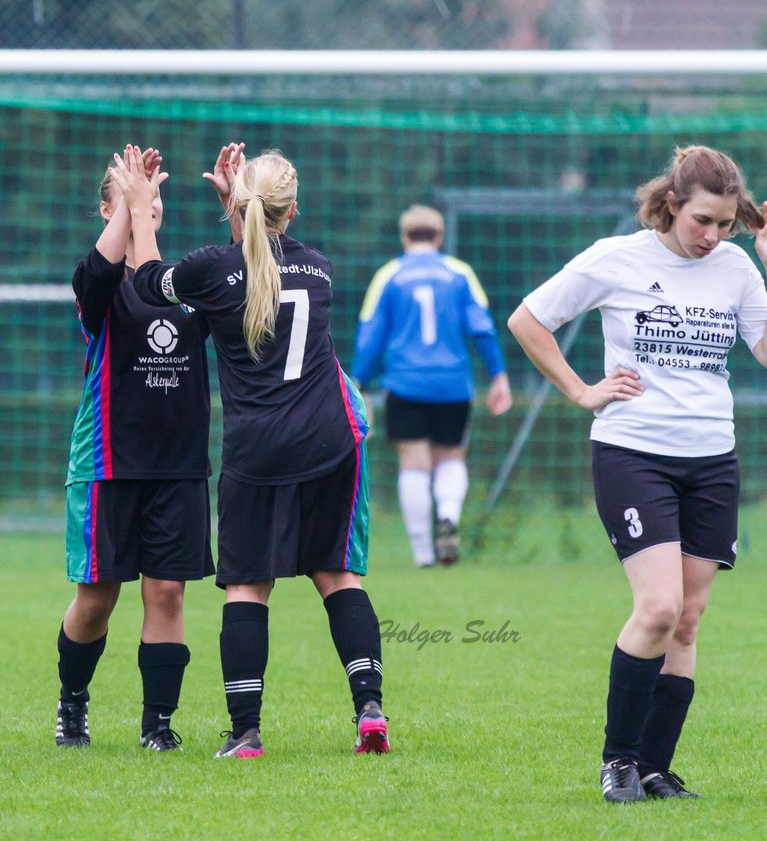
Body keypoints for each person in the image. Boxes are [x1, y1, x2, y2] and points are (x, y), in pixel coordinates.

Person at [508, 145, 767, 803]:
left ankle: (654, 768)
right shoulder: (617, 258)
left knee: (687, 619)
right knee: (657, 607)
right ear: (672, 204)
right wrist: (580, 390)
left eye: (726, 224)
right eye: (703, 221)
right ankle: (617, 761)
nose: (713, 237)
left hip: (711, 459)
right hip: (633, 453)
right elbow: (528, 319)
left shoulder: (736, 267)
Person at [117, 145, 390, 758]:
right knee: (338, 576)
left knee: (246, 589)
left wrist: (139, 208)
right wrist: (239, 208)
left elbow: (147, 282)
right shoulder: (318, 267)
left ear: (239, 207)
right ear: (292, 209)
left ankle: (246, 734)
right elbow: (259, 264)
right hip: (330, 440)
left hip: (259, 450)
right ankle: (369, 709)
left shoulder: (210, 268)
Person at [55, 145, 236, 752]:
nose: (148, 205)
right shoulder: (98, 285)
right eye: (134, 197)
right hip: (109, 463)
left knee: (166, 592)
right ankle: (72, 704)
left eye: (156, 197)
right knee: (97, 599)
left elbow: (242, 271)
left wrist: (236, 206)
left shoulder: (182, 283)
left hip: (178, 466)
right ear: (107, 208)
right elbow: (101, 273)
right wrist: (127, 209)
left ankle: (157, 726)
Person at [352, 204, 512, 567]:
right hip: (453, 384)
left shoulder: (389, 276)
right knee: (450, 457)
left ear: (404, 237)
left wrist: (358, 382)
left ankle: (424, 553)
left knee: (413, 463)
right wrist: (498, 375)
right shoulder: (460, 273)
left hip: (405, 384)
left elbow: (370, 337)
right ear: (438, 237)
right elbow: (482, 328)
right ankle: (450, 518)